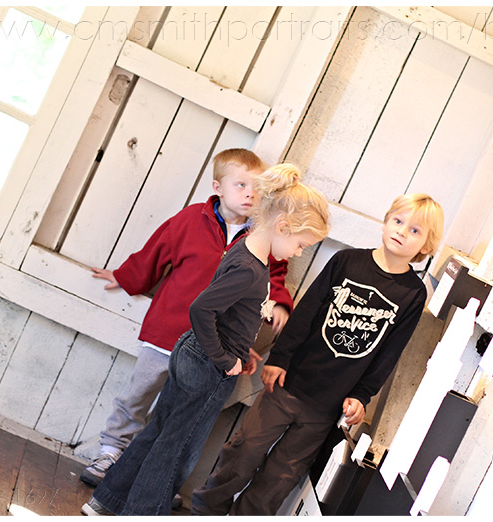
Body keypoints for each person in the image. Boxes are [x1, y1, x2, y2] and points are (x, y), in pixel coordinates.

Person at [81, 164, 330, 516]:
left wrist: (241, 348)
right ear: (283, 226)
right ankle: (141, 512)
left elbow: (230, 315)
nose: (299, 252)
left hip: (202, 356)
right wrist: (226, 359)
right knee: (173, 444)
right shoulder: (249, 268)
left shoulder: (248, 254)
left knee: (160, 430)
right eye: (301, 245)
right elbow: (201, 310)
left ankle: (107, 499)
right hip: (208, 365)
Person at [191, 193, 444, 516]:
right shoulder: (346, 261)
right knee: (243, 453)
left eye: (415, 230)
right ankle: (204, 511)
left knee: (280, 477)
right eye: (398, 221)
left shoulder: (413, 294)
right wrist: (279, 358)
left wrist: (361, 395)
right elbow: (307, 312)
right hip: (288, 383)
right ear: (385, 221)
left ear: (426, 245)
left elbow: (389, 353)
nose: (402, 231)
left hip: (326, 408)